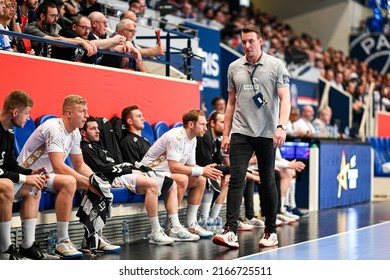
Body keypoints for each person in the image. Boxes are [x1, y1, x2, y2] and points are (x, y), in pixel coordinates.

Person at [212, 24, 291, 249]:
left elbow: (285, 99)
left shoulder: (276, 66)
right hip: (241, 131)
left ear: (260, 41)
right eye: (243, 42)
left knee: (267, 181)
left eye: (251, 41)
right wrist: (226, 133)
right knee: (237, 178)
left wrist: (281, 126)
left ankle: (270, 231)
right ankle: (230, 231)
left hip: (267, 133)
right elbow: (231, 103)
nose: (247, 46)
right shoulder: (234, 67)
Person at [17, 94, 118, 258]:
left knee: (96, 184)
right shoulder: (54, 127)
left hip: (46, 176)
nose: (86, 115)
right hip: (26, 175)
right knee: (70, 181)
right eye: (82, 111)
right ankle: (62, 240)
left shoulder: (75, 133)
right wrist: (89, 182)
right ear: (69, 113)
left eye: (87, 111)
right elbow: (58, 165)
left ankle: (92, 238)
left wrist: (96, 181)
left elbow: (79, 164)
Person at [80, 116, 198, 244]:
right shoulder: (85, 148)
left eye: (97, 128)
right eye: (93, 129)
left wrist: (138, 168)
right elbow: (105, 170)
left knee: (171, 184)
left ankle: (174, 227)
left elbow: (116, 164)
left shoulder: (98, 146)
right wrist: (130, 170)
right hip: (113, 178)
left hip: (123, 173)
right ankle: (156, 232)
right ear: (83, 133)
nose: (98, 131)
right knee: (152, 184)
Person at [140, 109, 223, 239]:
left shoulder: (193, 139)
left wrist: (205, 170)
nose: (205, 128)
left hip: (166, 173)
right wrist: (201, 170)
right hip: (149, 172)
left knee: (200, 179)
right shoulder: (176, 136)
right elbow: (174, 167)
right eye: (202, 124)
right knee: (182, 179)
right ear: (191, 124)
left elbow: (190, 165)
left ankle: (191, 223)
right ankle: (172, 227)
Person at [0, 89, 51, 260]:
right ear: (15, 112)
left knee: (34, 187)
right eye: (26, 113)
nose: (29, 118)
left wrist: (31, 173)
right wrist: (24, 178)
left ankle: (27, 245)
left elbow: (10, 164)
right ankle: (5, 248)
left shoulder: (9, 132)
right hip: (2, 184)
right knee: (7, 184)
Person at [23, 1, 97, 57]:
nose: (56, 19)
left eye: (57, 16)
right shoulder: (31, 28)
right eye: (53, 16)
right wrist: (81, 42)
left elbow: (61, 38)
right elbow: (56, 41)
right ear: (42, 16)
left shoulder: (50, 28)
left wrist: (84, 41)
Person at [196, 111, 230, 225]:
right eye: (222, 122)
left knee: (228, 179)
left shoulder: (216, 140)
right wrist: (231, 169)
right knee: (214, 177)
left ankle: (213, 218)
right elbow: (207, 165)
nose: (225, 125)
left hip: (205, 170)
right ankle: (203, 219)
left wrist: (228, 170)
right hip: (197, 170)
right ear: (212, 123)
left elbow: (218, 162)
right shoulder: (205, 138)